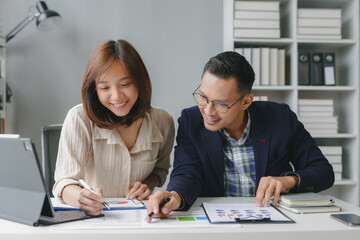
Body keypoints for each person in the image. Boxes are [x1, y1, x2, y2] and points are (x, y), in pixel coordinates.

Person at [146, 51, 334, 221]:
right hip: (217, 225)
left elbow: (323, 171)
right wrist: (175, 195)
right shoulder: (190, 120)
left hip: (272, 223)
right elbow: (187, 171)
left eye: (221, 104)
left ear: (246, 102)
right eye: (203, 97)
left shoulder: (280, 118)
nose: (208, 111)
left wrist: (288, 181)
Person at [53, 39, 175, 216]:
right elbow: (64, 183)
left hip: (139, 221)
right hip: (94, 221)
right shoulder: (79, 118)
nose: (117, 96)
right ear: (94, 90)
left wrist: (147, 184)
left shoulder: (163, 122)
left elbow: (160, 171)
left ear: (140, 82)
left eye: (125, 84)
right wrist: (81, 198)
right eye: (105, 87)